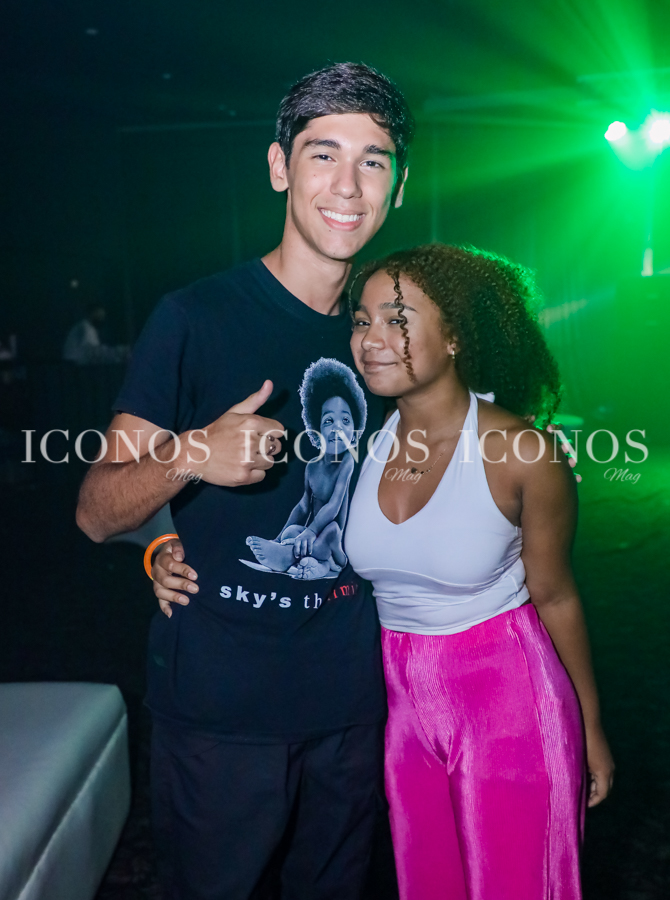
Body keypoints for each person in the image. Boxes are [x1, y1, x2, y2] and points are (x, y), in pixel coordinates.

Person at [76, 63, 414, 899]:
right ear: (278, 167)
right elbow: (95, 509)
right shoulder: (195, 317)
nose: (348, 185)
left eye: (372, 161)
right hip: (221, 713)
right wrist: (191, 454)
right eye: (322, 154)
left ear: (399, 187)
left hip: (352, 704)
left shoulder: (388, 339)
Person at [343, 243, 614, 900]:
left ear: (455, 336)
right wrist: (165, 549)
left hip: (508, 704)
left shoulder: (521, 452)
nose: (371, 340)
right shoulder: (361, 443)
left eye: (397, 320)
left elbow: (556, 597)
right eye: (362, 320)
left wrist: (591, 729)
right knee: (426, 884)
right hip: (402, 712)